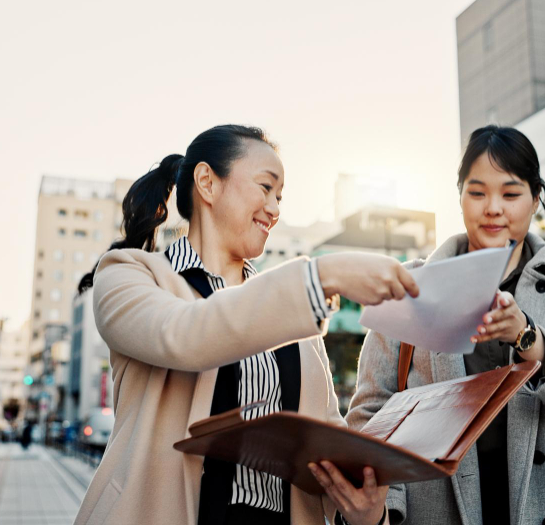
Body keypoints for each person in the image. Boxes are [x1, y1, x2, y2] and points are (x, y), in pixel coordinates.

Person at [73, 125, 407, 525]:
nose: (275, 208)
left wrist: (367, 512)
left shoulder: (299, 317)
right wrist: (322, 276)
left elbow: (326, 441)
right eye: (265, 187)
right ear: (207, 183)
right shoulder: (129, 276)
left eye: (280, 196)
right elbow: (184, 335)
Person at [346, 125, 545, 525]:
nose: (493, 208)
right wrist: (386, 511)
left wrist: (528, 337)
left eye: (510, 193)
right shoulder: (409, 287)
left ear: (535, 198)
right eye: (477, 192)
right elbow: (370, 416)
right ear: (459, 197)